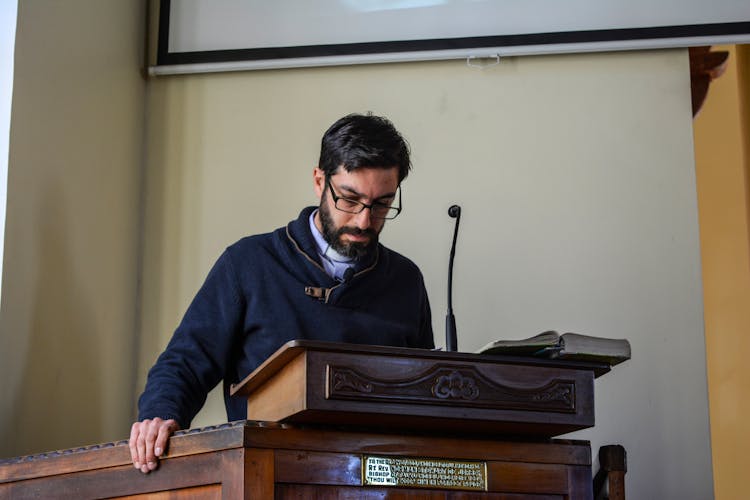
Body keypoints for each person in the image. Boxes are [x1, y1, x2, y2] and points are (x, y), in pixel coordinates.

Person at [129, 113, 434, 473]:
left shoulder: (405, 280)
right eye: (349, 200)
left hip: (376, 479)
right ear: (319, 180)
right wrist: (160, 415)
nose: (364, 220)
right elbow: (185, 362)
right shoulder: (248, 263)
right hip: (266, 472)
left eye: (381, 204)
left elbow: (423, 393)